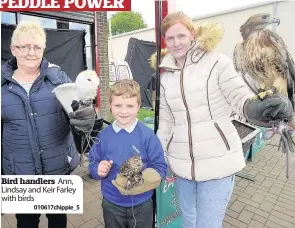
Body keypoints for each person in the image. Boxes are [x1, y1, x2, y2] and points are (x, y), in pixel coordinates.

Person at [155, 12, 293, 228]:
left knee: (207, 224)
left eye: (181, 36)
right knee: (188, 221)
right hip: (180, 164)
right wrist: (160, 155)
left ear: (192, 34)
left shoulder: (216, 62)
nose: (176, 43)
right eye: (170, 38)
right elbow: (165, 123)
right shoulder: (165, 76)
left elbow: (239, 97)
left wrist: (256, 108)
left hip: (217, 162)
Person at [1, 21, 98, 228]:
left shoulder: (59, 79)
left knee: (57, 221)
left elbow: (78, 121)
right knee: (25, 223)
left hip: (57, 168)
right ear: (13, 49)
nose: (31, 52)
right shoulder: (2, 86)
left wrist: (85, 119)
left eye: (36, 47)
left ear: (44, 49)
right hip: (21, 172)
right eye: (25, 46)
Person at [88, 79, 167, 228]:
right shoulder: (103, 136)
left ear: (138, 106)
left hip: (141, 204)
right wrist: (97, 169)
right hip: (111, 203)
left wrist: (142, 179)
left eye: (129, 106)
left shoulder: (148, 136)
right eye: (118, 105)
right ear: (110, 106)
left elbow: (160, 167)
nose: (123, 111)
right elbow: (93, 162)